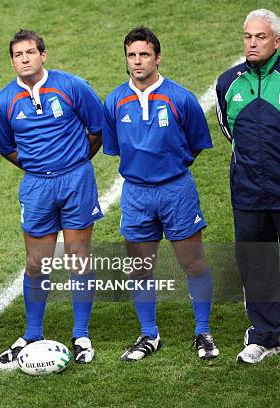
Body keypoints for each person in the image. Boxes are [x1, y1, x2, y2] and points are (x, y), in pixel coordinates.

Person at [102, 26, 219, 361]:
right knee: (140, 266)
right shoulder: (114, 101)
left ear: (157, 57)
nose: (137, 61)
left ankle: (203, 331)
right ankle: (149, 335)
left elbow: (196, 143)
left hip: (176, 191)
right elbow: (115, 147)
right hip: (136, 195)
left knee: (192, 262)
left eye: (144, 54)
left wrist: (170, 170)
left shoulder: (180, 97)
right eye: (131, 55)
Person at [0, 29, 104, 364]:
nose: (24, 59)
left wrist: (78, 161)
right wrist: (36, 166)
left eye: (29, 53)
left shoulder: (72, 87)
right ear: (12, 61)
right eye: (17, 55)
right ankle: (32, 333)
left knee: (77, 258)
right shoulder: (3, 100)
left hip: (76, 182)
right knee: (35, 263)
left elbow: (96, 130)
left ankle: (81, 333)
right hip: (36, 186)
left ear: (43, 55)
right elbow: (5, 147)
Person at [216, 9, 280, 364]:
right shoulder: (228, 83)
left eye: (260, 37)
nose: (252, 43)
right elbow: (230, 131)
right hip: (248, 193)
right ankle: (266, 335)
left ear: (276, 41)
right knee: (257, 263)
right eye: (247, 37)